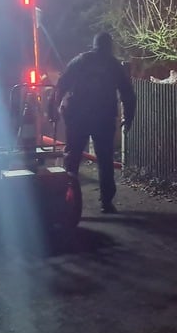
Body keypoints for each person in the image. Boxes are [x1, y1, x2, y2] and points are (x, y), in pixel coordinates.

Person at [52, 32, 136, 213]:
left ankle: (66, 199)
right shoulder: (113, 65)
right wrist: (128, 117)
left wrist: (53, 109)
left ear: (94, 45)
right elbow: (128, 93)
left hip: (78, 117)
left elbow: (62, 83)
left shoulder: (80, 61)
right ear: (109, 46)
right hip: (103, 118)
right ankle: (106, 202)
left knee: (72, 158)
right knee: (105, 161)